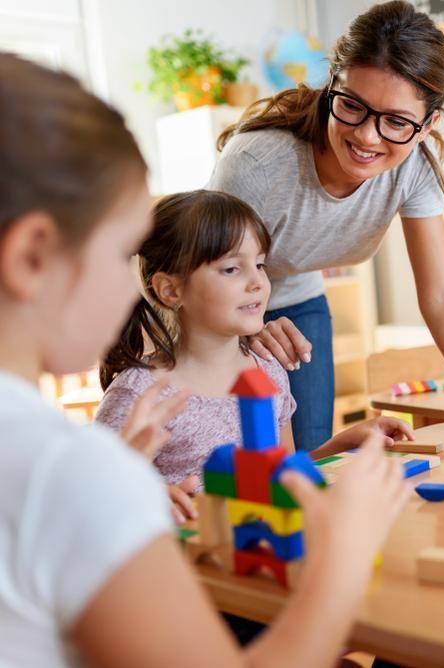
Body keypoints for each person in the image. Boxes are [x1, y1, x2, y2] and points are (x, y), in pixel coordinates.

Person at [0, 52, 409, 667]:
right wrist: (344, 559)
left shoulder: (68, 462)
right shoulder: (64, 469)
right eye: (123, 251)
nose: (130, 286)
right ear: (32, 256)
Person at [211, 0, 444, 452]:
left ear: (426, 126)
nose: (367, 137)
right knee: (228, 459)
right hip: (211, 303)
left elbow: (441, 294)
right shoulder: (258, 163)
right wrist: (245, 328)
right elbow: (198, 272)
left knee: (308, 463)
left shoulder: (412, 170)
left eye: (396, 122)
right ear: (332, 86)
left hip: (296, 303)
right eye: (352, 106)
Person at [95, 190, 415, 523]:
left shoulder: (269, 371)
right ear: (171, 290)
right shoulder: (139, 395)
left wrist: (344, 443)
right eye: (232, 269)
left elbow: (282, 475)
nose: (257, 282)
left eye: (260, 264)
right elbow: (94, 505)